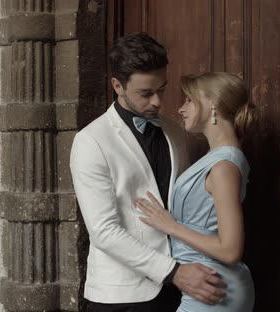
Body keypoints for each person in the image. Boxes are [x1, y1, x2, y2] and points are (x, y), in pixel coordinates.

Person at [70, 33, 227, 312]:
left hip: (179, 290)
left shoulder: (175, 131)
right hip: (122, 297)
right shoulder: (90, 141)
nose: (157, 101)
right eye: (145, 93)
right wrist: (174, 271)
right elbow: (104, 231)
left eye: (162, 89)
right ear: (117, 85)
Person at [135, 72, 256, 312]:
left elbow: (230, 250)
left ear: (212, 103)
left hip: (216, 287)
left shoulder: (223, 167)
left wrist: (171, 226)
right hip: (209, 285)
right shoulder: (215, 159)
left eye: (189, 100)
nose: (181, 109)